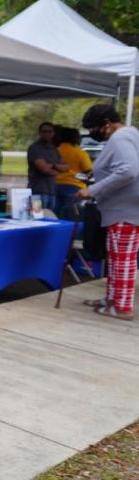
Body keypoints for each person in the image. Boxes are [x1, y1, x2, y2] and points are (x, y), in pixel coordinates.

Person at [75, 104, 139, 321]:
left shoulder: (120, 138)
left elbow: (128, 170)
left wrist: (92, 190)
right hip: (122, 208)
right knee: (117, 258)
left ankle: (122, 307)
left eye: (94, 128)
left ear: (106, 124)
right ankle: (112, 299)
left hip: (125, 210)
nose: (93, 133)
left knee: (123, 260)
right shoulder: (130, 135)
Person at [27, 121, 68, 212]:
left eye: (49, 132)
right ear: (39, 133)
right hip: (36, 192)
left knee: (50, 218)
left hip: (52, 191)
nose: (47, 134)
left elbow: (66, 167)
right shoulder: (35, 148)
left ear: (53, 133)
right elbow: (44, 169)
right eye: (44, 131)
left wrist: (52, 165)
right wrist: (56, 166)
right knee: (36, 216)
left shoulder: (54, 149)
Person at [55, 126, 92, 220]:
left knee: (55, 215)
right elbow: (88, 170)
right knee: (70, 216)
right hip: (74, 186)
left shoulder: (55, 150)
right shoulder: (80, 153)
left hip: (54, 185)